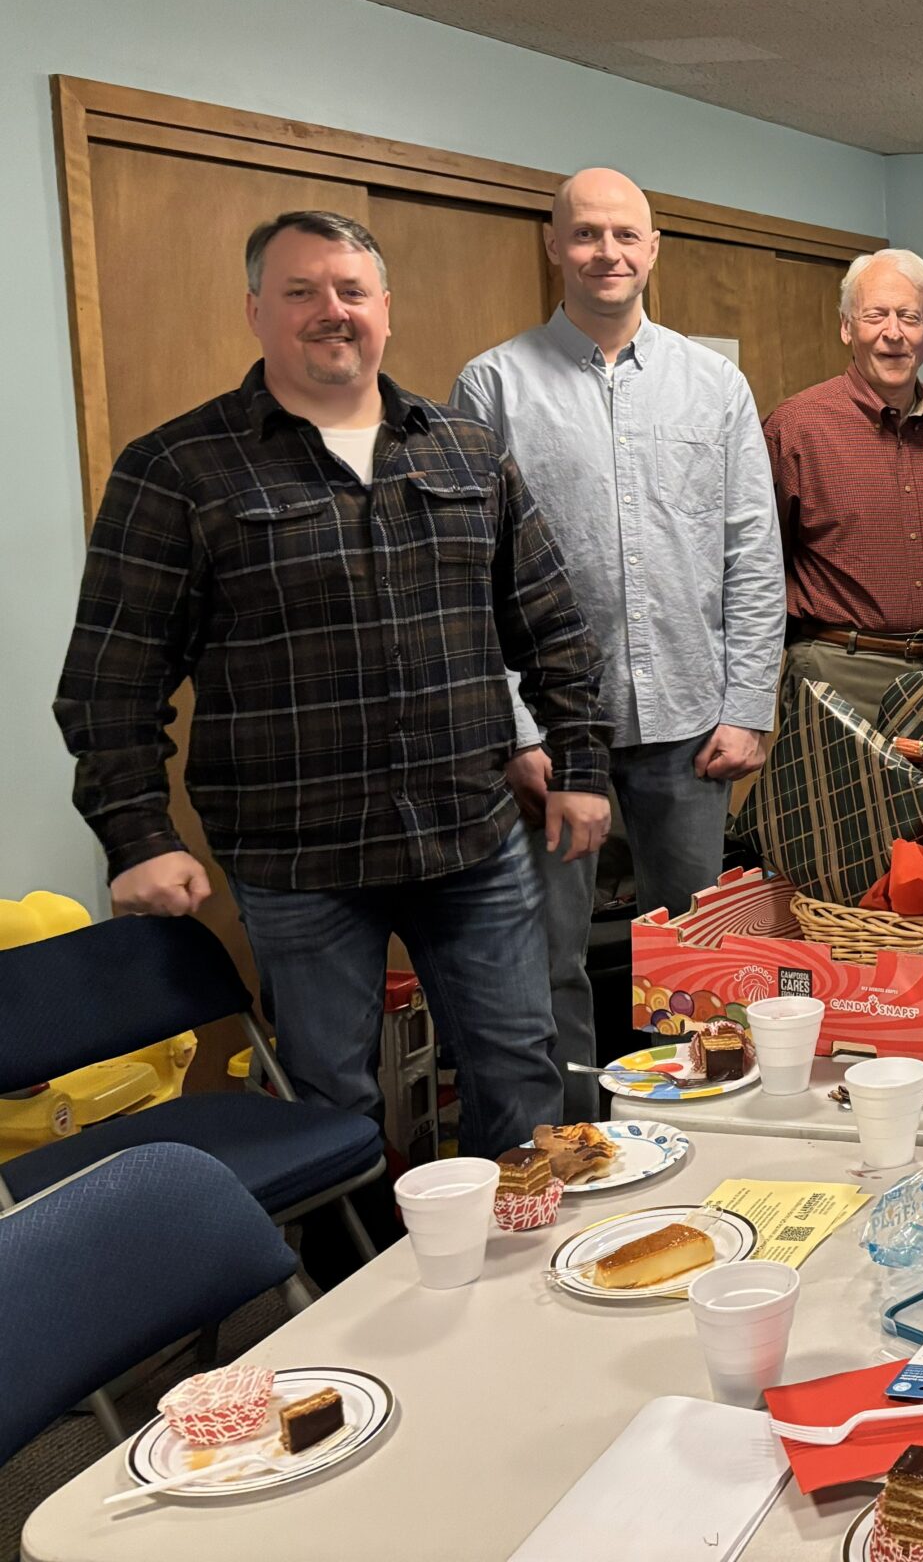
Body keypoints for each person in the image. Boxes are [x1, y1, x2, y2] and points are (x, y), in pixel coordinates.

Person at [55, 209, 606, 1158]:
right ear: (255, 310)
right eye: (301, 291)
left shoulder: (464, 452)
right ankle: (359, 1298)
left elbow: (553, 625)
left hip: (468, 837)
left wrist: (585, 765)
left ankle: (526, 1275)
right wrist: (136, 836)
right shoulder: (178, 469)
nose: (331, 311)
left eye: (352, 291)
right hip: (297, 859)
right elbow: (112, 678)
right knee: (330, 1103)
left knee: (521, 1067)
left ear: (386, 309)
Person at [452, 169, 783, 1118]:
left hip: (691, 724)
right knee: (548, 958)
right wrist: (517, 730)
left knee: (695, 953)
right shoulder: (494, 384)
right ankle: (581, 1142)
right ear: (554, 246)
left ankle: (703, 1127)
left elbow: (752, 553)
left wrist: (748, 708)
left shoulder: (712, 384)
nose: (609, 253)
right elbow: (470, 576)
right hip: (557, 739)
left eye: (626, 235)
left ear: (654, 247)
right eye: (587, 234)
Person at [764, 248, 923, 725]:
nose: (893, 333)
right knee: (836, 804)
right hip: (840, 672)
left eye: (910, 317)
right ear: (847, 328)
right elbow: (755, 567)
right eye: (875, 315)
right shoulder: (795, 428)